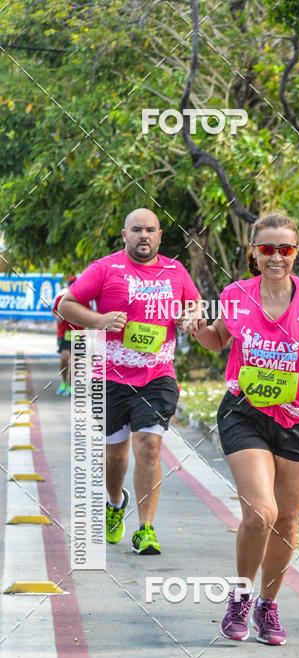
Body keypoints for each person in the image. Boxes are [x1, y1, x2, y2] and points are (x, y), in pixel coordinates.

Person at [193, 212, 299, 645]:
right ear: (254, 252)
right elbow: (218, 339)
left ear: (296, 252)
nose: (277, 257)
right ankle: (240, 597)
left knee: (288, 522)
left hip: (298, 417)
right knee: (262, 512)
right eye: (267, 249)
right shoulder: (236, 295)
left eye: (286, 249)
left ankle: (268, 605)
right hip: (246, 412)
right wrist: (197, 330)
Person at [58, 208, 200, 555]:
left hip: (157, 375)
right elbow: (66, 305)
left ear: (160, 236)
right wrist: (99, 319)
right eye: (136, 230)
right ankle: (115, 501)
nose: (143, 236)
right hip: (111, 376)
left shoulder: (175, 270)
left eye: (150, 230)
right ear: (125, 234)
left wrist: (190, 318)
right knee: (116, 454)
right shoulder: (105, 269)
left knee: (149, 446)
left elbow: (195, 305)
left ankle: (145, 528)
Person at [52, 274, 77, 397]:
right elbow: (54, 311)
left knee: (74, 361)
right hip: (64, 333)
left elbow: (90, 311)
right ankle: (64, 382)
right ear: (67, 285)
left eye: (74, 283)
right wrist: (58, 318)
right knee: (65, 358)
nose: (72, 286)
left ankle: (71, 385)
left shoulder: (83, 297)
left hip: (78, 333)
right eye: (71, 283)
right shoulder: (61, 297)